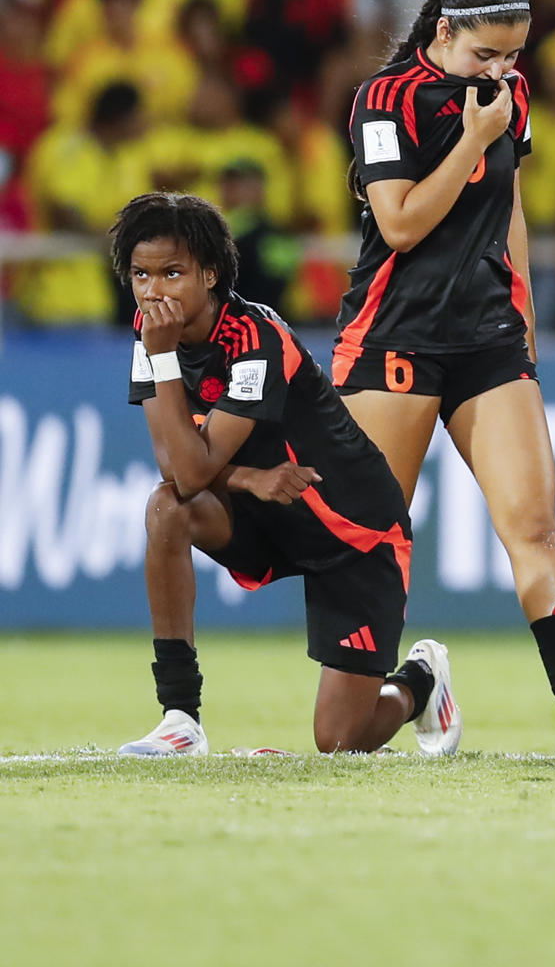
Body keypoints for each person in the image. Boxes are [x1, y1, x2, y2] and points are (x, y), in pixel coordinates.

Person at [335, 0, 555, 756]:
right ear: (445, 31)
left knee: (534, 526)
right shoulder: (384, 100)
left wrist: (526, 316)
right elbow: (399, 224)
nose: (501, 71)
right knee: (371, 538)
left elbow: (509, 211)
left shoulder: (510, 99)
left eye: (513, 57)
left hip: (486, 340)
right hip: (394, 336)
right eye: (486, 56)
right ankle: (414, 683)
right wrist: (473, 137)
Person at [109, 192, 458, 758]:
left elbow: (195, 469)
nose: (155, 291)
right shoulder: (152, 335)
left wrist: (165, 360)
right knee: (164, 509)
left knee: (341, 741)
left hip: (350, 528)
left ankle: (419, 682)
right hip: (261, 509)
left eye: (173, 272)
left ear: (212, 273)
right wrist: (247, 480)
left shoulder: (256, 340)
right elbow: (176, 472)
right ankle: (180, 718)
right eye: (141, 274)